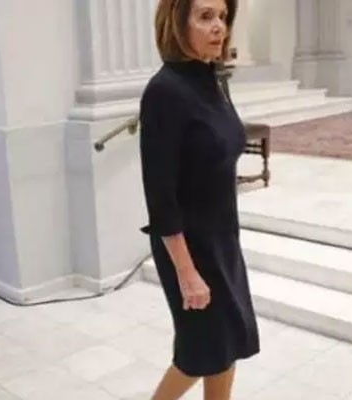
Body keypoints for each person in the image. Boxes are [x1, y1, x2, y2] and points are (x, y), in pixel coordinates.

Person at [139, 0, 259, 398]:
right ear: (178, 23)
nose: (219, 27)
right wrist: (187, 274)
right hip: (188, 247)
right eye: (205, 16)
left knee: (226, 345)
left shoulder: (212, 80)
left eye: (222, 17)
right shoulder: (164, 92)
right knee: (198, 354)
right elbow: (160, 196)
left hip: (222, 238)